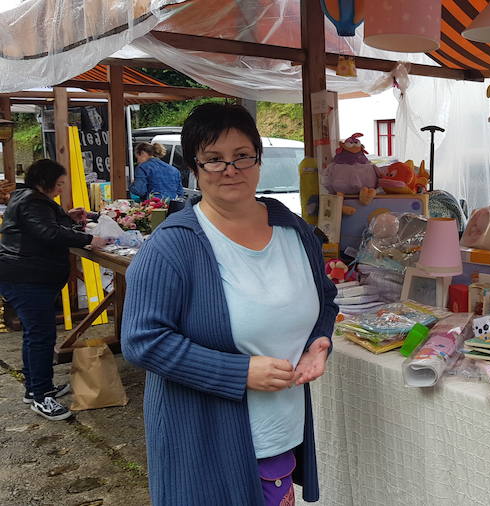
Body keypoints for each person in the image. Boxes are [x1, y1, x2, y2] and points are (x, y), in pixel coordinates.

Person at [122, 103, 338, 506]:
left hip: (278, 430)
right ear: (194, 167)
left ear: (258, 159)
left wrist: (318, 341)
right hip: (205, 438)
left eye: (242, 156)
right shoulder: (173, 246)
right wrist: (237, 372)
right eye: (214, 160)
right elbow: (142, 340)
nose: (230, 169)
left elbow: (325, 297)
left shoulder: (296, 232)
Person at [0, 159, 109, 421]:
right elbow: (47, 233)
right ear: (45, 182)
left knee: (34, 333)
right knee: (40, 335)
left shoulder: (28, 198)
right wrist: (89, 239)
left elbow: (43, 227)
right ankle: (41, 397)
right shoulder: (32, 201)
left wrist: (68, 218)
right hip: (26, 277)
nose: (61, 188)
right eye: (59, 184)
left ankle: (36, 387)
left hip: (25, 275)